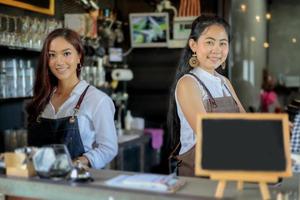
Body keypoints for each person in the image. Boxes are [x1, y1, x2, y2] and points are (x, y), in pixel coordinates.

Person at [26, 28, 118, 169]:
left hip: (77, 183)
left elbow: (109, 148)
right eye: (52, 55)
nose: (59, 62)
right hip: (39, 183)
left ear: (79, 56)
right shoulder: (42, 98)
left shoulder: (97, 100)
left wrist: (80, 162)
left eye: (66, 53)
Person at [167, 16, 245, 176]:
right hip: (199, 176)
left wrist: (274, 129)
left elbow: (247, 123)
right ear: (193, 45)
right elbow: (208, 134)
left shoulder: (224, 83)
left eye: (223, 43)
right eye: (209, 42)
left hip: (230, 169)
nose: (217, 50)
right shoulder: (188, 83)